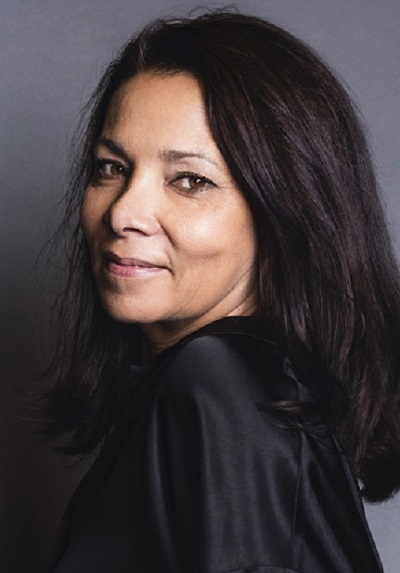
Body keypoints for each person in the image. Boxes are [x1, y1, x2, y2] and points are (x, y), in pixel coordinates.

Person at [41, 9, 400, 572]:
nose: (124, 212)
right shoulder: (233, 388)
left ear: (283, 214)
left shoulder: (217, 384)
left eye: (190, 180)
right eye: (112, 168)